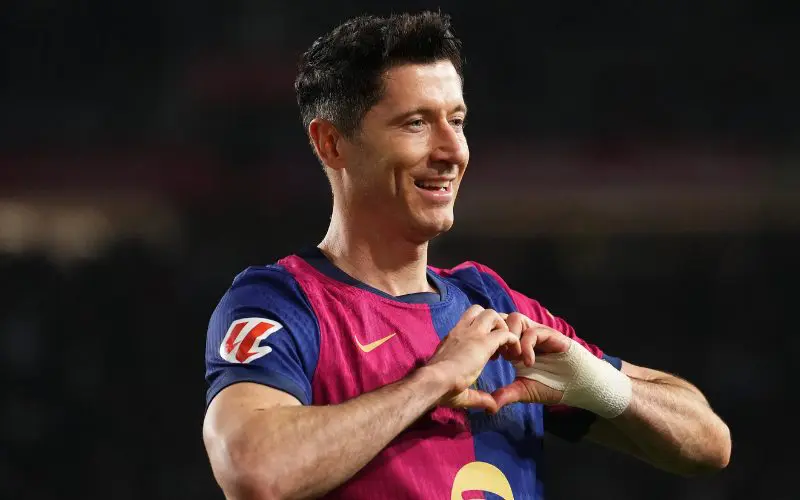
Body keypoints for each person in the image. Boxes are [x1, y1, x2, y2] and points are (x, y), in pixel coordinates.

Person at [202, 11, 731, 499]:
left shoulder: (491, 306)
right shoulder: (282, 303)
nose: (452, 150)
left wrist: (597, 383)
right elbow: (255, 471)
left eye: (456, 121)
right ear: (331, 144)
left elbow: (709, 444)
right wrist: (434, 380)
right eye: (416, 123)